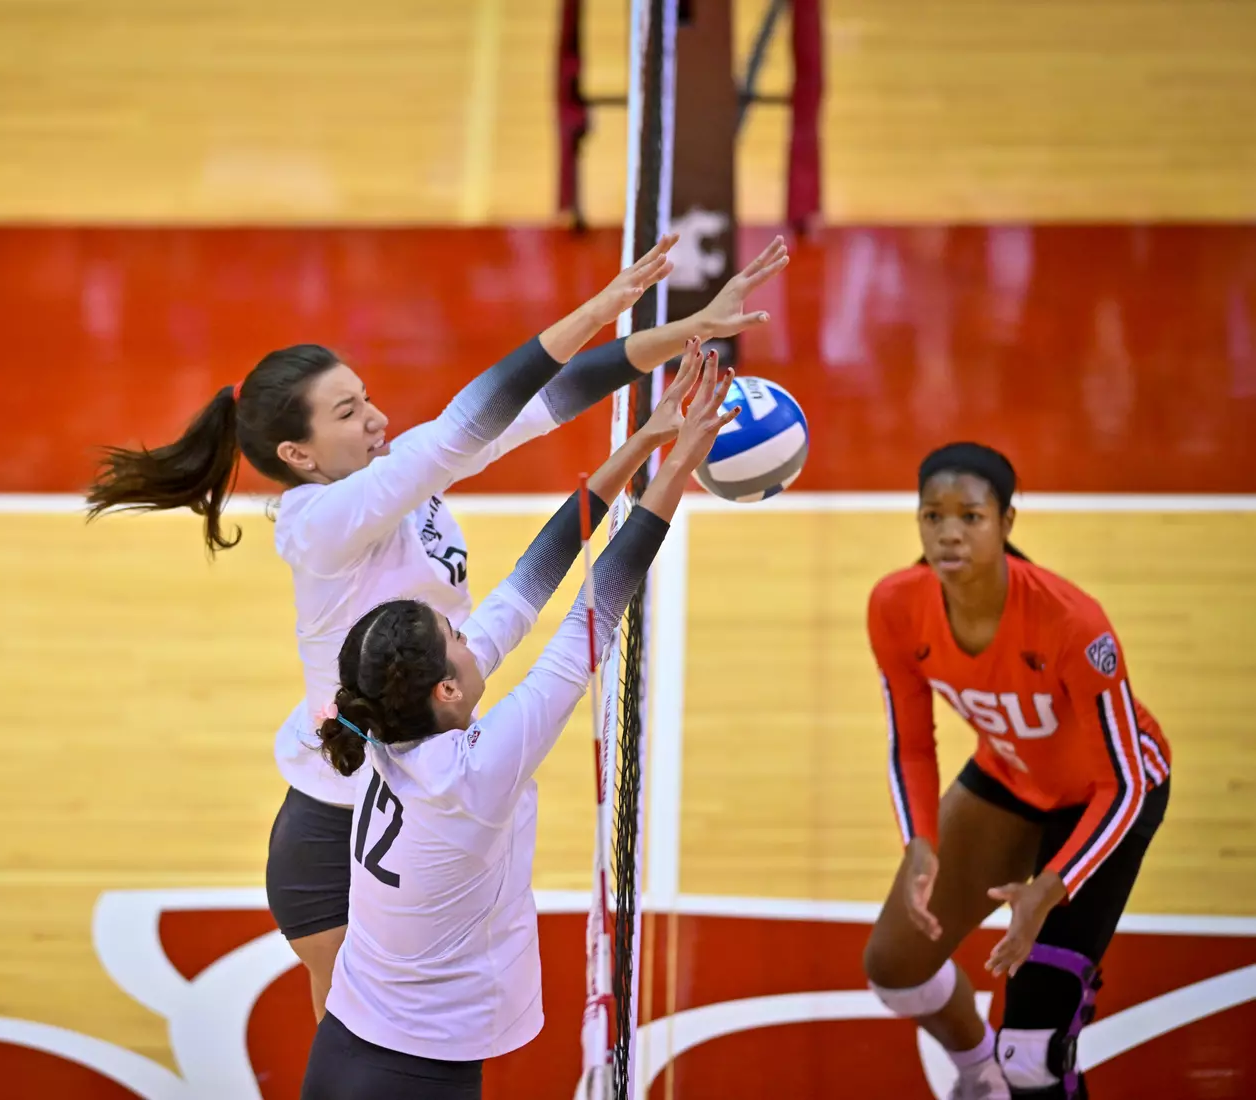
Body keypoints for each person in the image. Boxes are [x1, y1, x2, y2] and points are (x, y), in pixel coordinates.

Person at [85, 236, 789, 1018]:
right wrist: (601, 306)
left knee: (410, 1029)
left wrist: (688, 330)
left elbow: (542, 404)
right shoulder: (321, 522)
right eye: (348, 412)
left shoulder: (393, 479)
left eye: (365, 397)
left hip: (416, 793)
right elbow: (468, 422)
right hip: (335, 823)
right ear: (298, 454)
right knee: (358, 1037)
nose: (377, 418)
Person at [300, 339, 738, 1099]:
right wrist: (677, 470)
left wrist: (645, 441)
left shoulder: (391, 732)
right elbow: (587, 625)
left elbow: (527, 586)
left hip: (347, 1043)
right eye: (458, 638)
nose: (473, 637)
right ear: (446, 689)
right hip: (412, 1075)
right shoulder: (470, 773)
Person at [863, 442, 1172, 1100]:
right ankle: (981, 1076)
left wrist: (1050, 889)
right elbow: (911, 745)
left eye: (970, 516)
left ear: (1006, 521)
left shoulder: (1073, 622)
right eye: (932, 515)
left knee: (1033, 1055)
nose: (949, 533)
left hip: (1108, 796)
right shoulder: (895, 604)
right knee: (896, 968)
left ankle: (1015, 1071)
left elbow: (1126, 783)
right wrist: (920, 841)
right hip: (1011, 775)